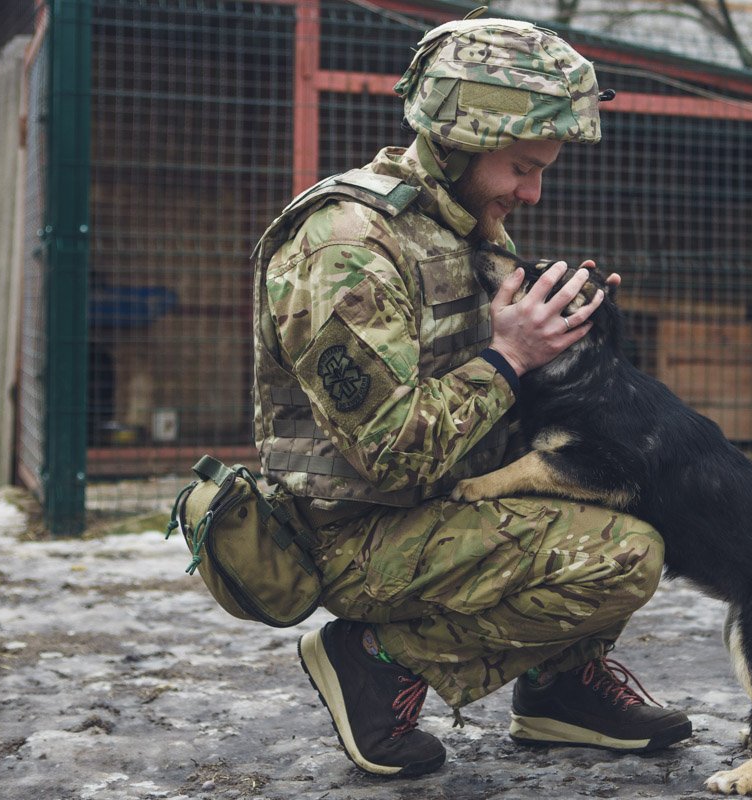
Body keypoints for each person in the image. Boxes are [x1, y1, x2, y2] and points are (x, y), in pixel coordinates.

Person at [249, 13, 692, 777]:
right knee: (622, 556)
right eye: (522, 167)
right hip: (354, 533)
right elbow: (389, 457)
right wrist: (512, 354)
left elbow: (502, 398)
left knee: (638, 488)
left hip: (438, 501)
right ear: (461, 137)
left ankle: (563, 691)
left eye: (543, 169)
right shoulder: (347, 245)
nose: (534, 191)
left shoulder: (462, 225)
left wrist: (576, 344)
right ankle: (377, 659)